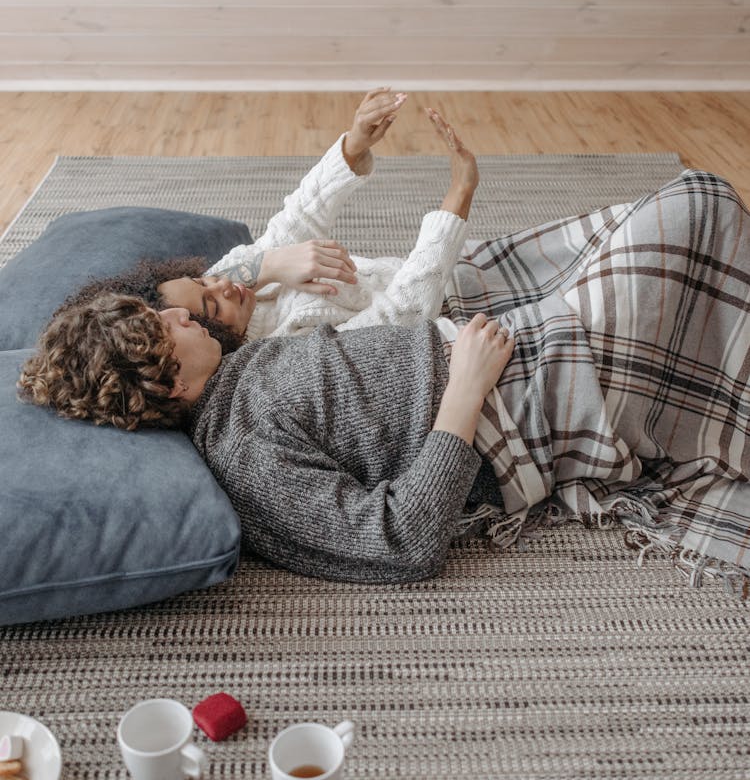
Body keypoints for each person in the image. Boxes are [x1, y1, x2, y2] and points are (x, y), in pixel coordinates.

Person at [18, 167, 750, 598]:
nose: (179, 315)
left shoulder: (242, 367)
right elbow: (398, 542)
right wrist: (462, 394)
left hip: (500, 342)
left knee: (684, 222)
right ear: (169, 383)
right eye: (164, 326)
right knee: (696, 211)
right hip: (522, 406)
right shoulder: (242, 454)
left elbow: (255, 264)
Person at [61, 90, 481, 345]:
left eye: (202, 280)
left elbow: (295, 220)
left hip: (438, 270)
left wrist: (354, 143)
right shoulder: (282, 345)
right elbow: (401, 320)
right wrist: (457, 198)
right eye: (212, 302)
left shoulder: (234, 279)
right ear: (210, 338)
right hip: (448, 313)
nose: (223, 285)